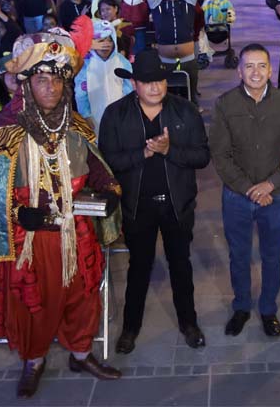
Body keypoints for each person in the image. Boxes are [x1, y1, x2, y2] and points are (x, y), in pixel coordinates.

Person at [0, 29, 123, 398]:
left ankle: (80, 353)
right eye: (42, 80)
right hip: (30, 237)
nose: (51, 88)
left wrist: (108, 187)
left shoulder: (76, 125)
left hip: (77, 228)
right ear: (25, 84)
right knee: (35, 303)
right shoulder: (3, 130)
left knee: (82, 294)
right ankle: (34, 360)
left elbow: (96, 164)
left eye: (57, 79)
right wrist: (17, 213)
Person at [98, 51, 210, 354]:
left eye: (159, 81)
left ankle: (189, 323)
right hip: (138, 207)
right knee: (139, 269)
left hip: (177, 205)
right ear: (134, 84)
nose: (155, 88)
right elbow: (106, 161)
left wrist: (169, 150)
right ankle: (130, 329)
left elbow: (202, 156)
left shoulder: (185, 111)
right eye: (147, 82)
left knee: (181, 266)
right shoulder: (115, 114)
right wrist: (143, 154)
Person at [210, 43, 280, 338]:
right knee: (239, 256)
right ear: (239, 71)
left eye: (262, 66)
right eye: (249, 66)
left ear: (270, 70)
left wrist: (271, 184)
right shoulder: (225, 104)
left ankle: (268, 309)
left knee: (271, 256)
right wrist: (248, 189)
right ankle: (242, 306)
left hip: (275, 197)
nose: (256, 72)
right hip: (236, 197)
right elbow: (220, 155)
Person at [145, 0, 201, 103]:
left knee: (191, 88)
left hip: (188, 58)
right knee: (166, 93)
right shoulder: (157, 4)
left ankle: (193, 105)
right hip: (165, 59)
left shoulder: (188, 2)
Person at [74, 20, 133, 136]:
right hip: (95, 118)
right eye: (101, 40)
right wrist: (86, 115)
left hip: (121, 116)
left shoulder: (122, 62)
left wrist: (127, 111)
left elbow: (130, 87)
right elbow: (81, 94)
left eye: (109, 40)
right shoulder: (85, 66)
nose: (106, 44)